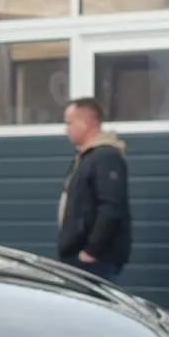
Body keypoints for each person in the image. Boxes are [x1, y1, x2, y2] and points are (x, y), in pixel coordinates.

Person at [57, 97, 131, 282]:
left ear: (86, 123)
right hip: (78, 256)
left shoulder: (106, 157)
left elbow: (111, 208)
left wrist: (91, 251)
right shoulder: (85, 157)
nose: (66, 129)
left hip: (95, 261)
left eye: (70, 123)